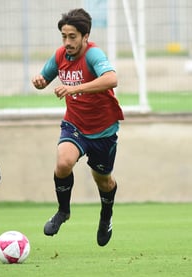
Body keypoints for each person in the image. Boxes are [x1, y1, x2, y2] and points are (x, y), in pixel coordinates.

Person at [32, 8, 124, 246]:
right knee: (63, 163)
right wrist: (40, 82)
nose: (67, 42)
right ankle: (63, 211)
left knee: (103, 181)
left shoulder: (94, 55)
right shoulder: (60, 55)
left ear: (85, 36)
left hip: (103, 130)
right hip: (74, 125)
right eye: (64, 36)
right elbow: (45, 78)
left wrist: (74, 88)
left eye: (72, 36)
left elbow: (112, 78)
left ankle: (106, 216)